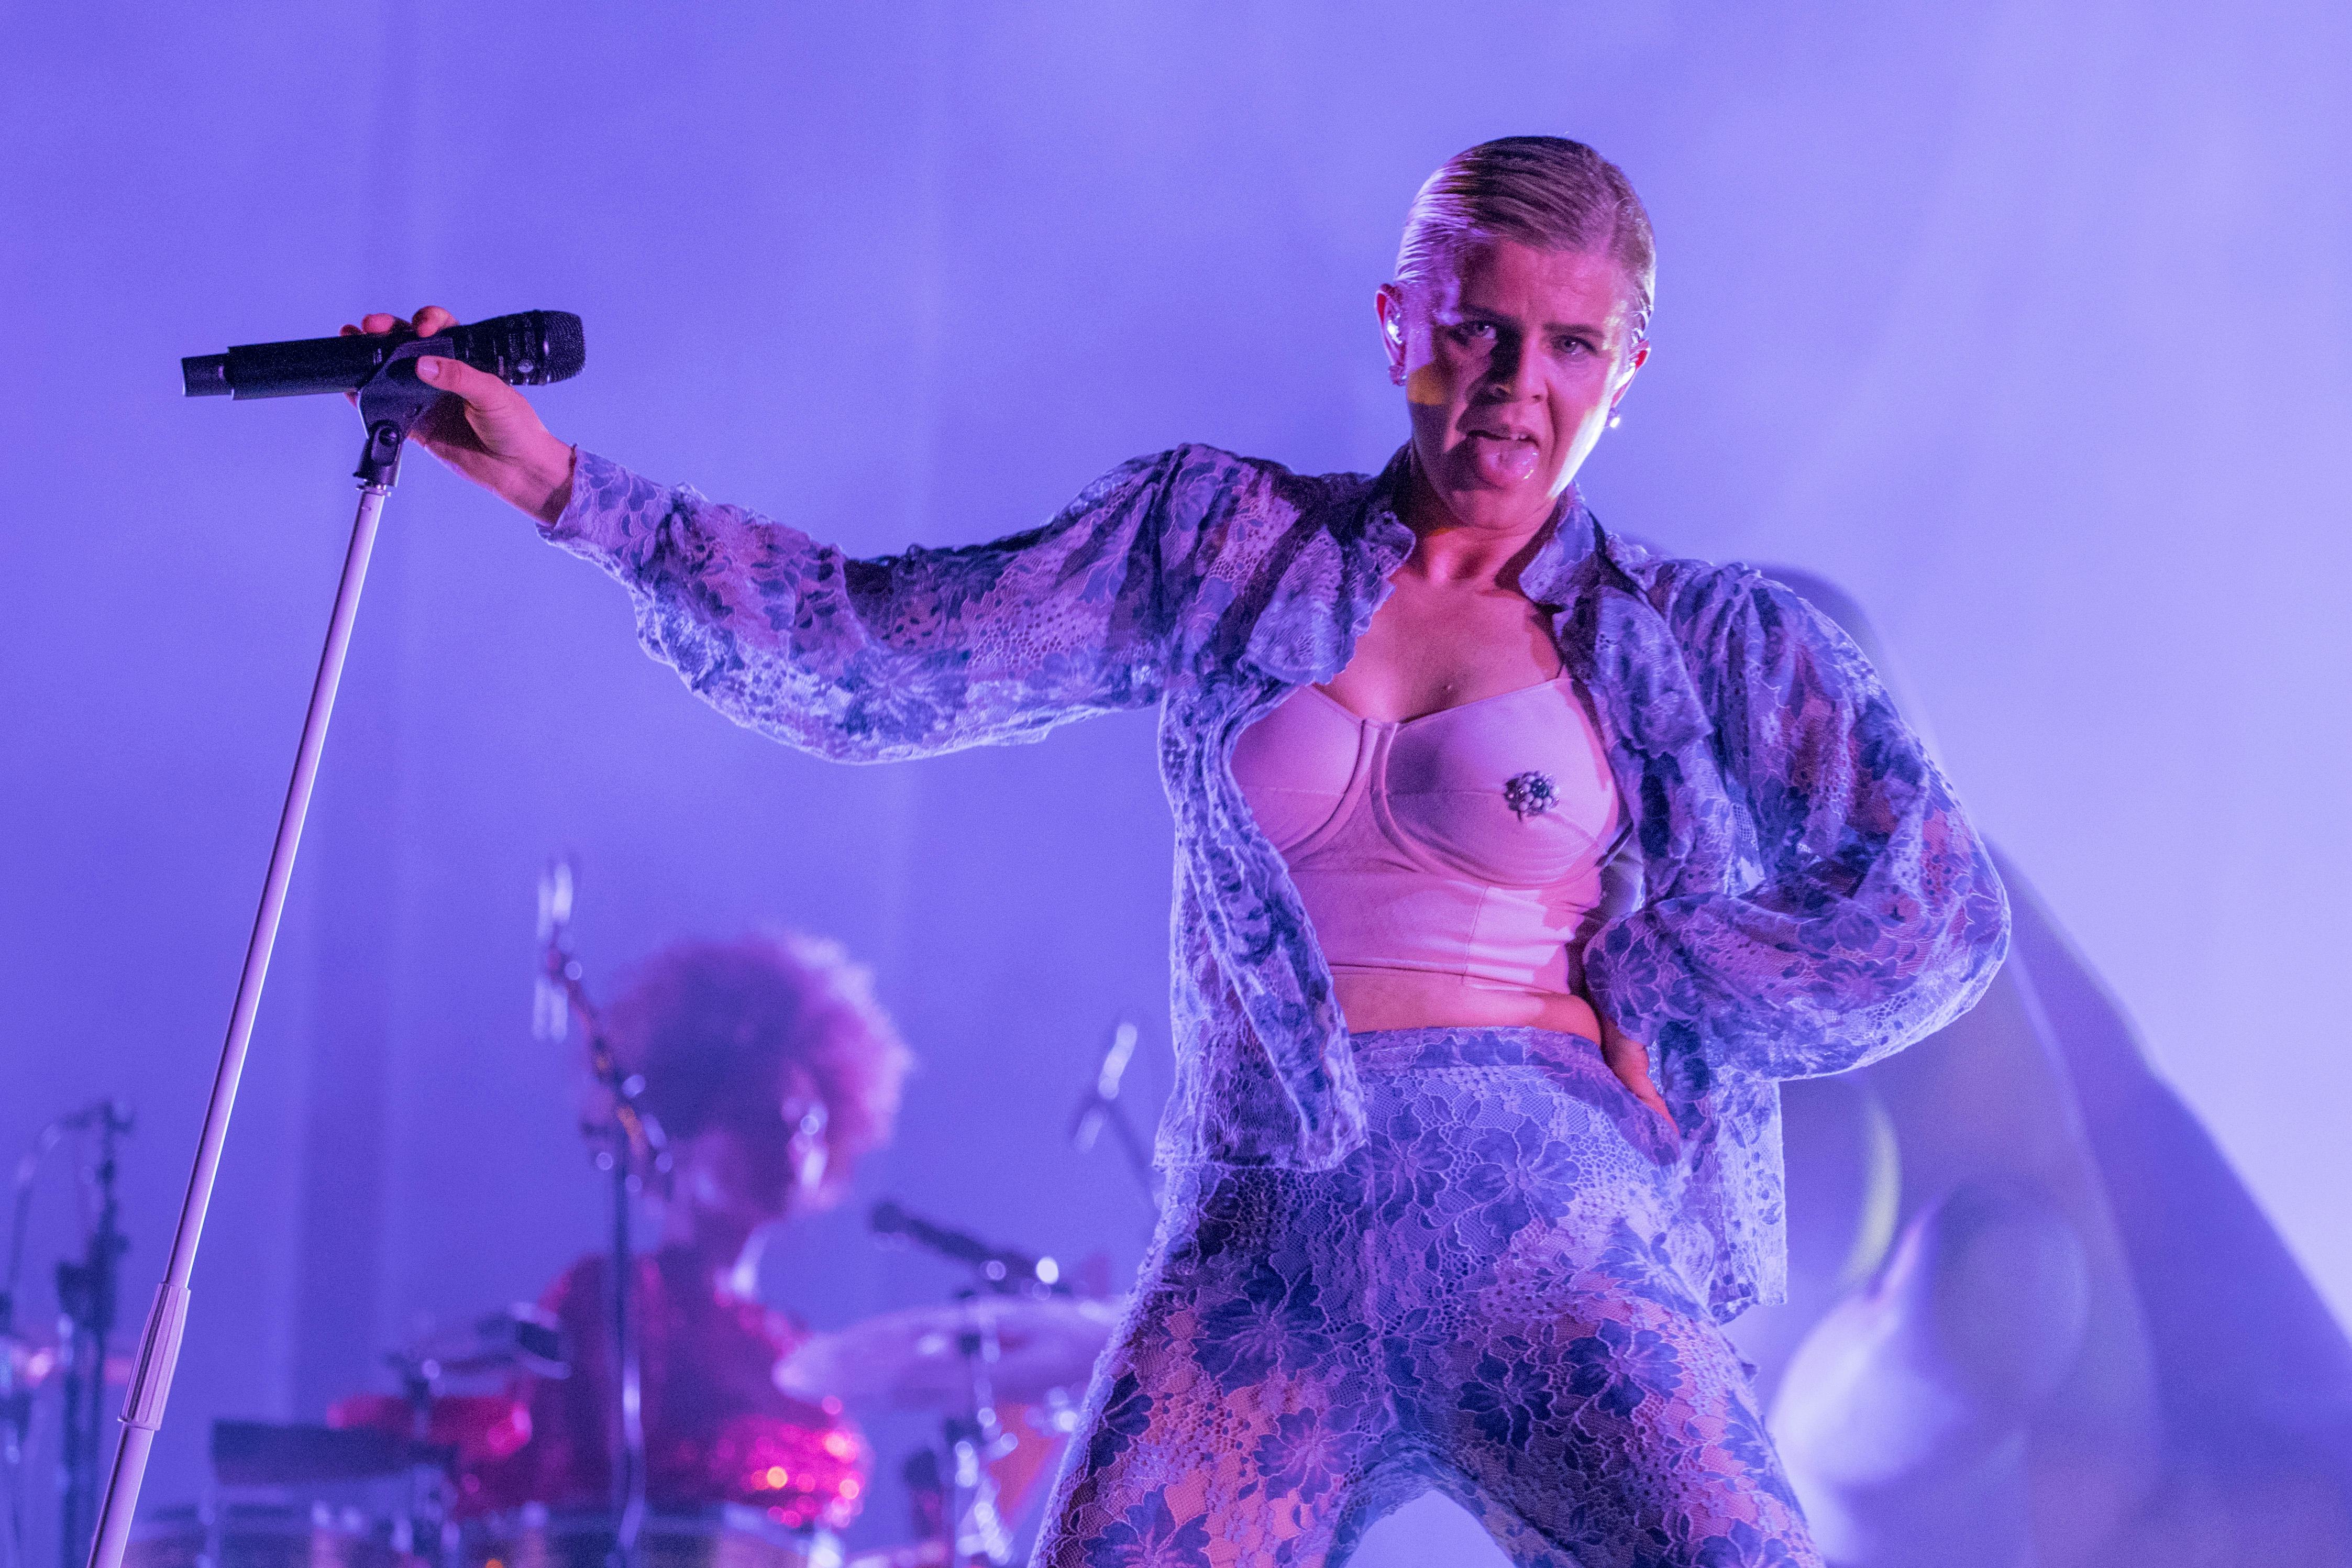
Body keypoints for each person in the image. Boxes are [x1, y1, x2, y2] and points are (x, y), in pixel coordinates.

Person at [355, 136, 2007, 1567]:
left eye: (1572, 345)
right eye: (1478, 329)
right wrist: (568, 488)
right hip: (1263, 1243)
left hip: (1549, 1229)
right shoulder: (1220, 540)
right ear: (1399, 324)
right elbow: (884, 652)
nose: (1518, 382)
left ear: (1629, 369)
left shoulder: (1709, 638)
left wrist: (1668, 974)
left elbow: (1936, 911)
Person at [461, 931, 913, 1531]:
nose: (789, 1146)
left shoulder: (794, 1342)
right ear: (678, 1133)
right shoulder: (611, 1299)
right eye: (756, 1120)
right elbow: (536, 1507)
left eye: (807, 1124)